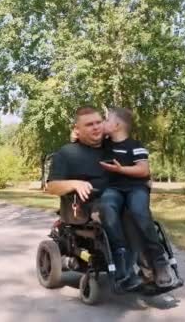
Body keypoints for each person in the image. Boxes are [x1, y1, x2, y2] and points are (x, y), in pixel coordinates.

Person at [46, 106, 142, 290]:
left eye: (99, 122)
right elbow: (51, 186)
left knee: (139, 213)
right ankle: (125, 274)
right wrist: (74, 183)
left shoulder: (113, 147)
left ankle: (150, 268)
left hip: (117, 199)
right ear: (77, 129)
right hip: (84, 208)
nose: (96, 127)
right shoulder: (66, 153)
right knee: (120, 214)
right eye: (89, 124)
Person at [98, 107, 173, 288]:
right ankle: (122, 258)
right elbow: (83, 138)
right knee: (107, 206)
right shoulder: (104, 144)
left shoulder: (136, 146)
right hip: (114, 189)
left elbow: (143, 170)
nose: (103, 123)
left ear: (116, 125)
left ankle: (159, 262)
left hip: (136, 188)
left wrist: (120, 169)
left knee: (140, 212)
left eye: (106, 120)